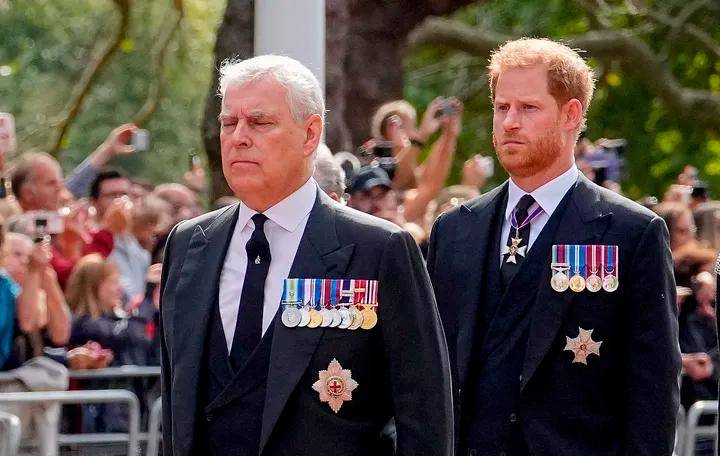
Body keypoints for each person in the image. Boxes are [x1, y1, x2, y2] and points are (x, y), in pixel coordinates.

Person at [160, 55, 452, 456]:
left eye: (260, 122)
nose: (238, 137)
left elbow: (425, 418)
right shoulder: (190, 243)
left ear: (310, 134)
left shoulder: (378, 249)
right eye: (230, 122)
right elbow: (177, 411)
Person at [427, 38, 680, 455]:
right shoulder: (456, 230)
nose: (510, 122)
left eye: (528, 108)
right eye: (501, 107)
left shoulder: (630, 232)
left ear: (571, 114)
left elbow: (653, 388)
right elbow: (429, 374)